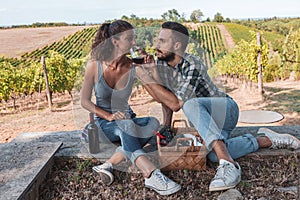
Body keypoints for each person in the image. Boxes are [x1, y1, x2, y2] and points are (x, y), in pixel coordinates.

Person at [136, 21, 300, 192]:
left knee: (189, 104)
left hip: (225, 111)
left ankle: (228, 164)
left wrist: (145, 78)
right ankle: (266, 140)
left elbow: (175, 104)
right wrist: (166, 126)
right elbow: (165, 96)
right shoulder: (161, 65)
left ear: (177, 45)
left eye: (162, 41)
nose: (156, 45)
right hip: (205, 121)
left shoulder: (193, 64)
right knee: (211, 154)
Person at [80, 20, 181, 195]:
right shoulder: (94, 65)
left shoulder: (132, 66)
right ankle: (150, 173)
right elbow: (85, 101)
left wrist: (152, 71)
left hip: (128, 120)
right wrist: (109, 116)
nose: (134, 43)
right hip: (104, 124)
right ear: (115, 41)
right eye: (130, 38)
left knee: (152, 122)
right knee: (127, 125)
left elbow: (158, 97)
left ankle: (109, 164)